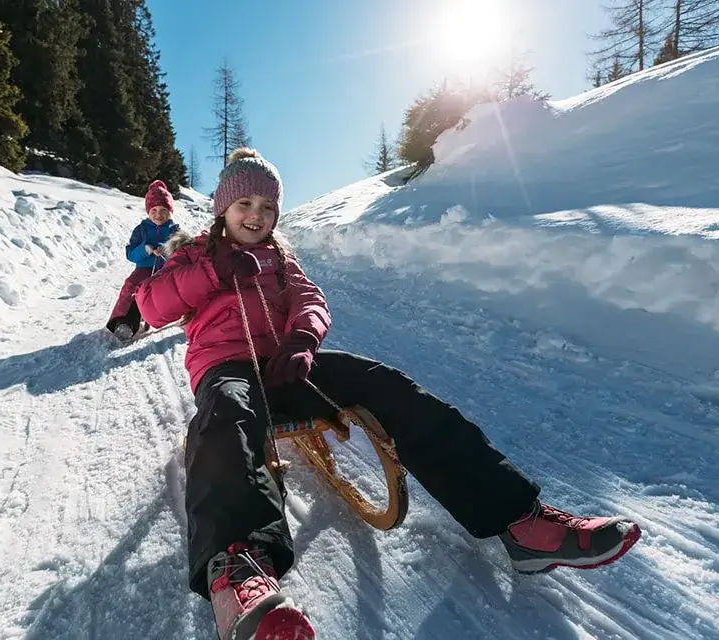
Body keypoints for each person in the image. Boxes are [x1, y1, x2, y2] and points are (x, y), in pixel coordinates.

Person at [136, 149, 641, 640]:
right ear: (223, 208)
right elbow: (153, 305)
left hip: (288, 366)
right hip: (228, 368)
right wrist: (214, 272)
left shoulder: (281, 259)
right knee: (226, 417)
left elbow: (311, 300)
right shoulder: (193, 253)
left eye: (268, 207)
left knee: (383, 383)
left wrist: (302, 339)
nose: (257, 215)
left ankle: (518, 519)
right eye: (245, 205)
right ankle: (239, 568)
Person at [106, 180, 180, 341]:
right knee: (132, 287)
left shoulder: (175, 231)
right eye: (154, 210)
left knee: (159, 293)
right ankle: (124, 322)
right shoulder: (141, 230)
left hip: (167, 270)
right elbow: (131, 253)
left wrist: (166, 251)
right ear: (148, 211)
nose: (158, 214)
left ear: (170, 211)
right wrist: (145, 249)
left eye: (163, 210)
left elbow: (182, 251)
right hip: (144, 269)